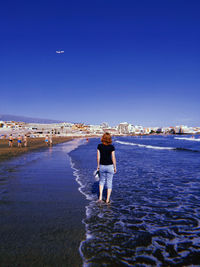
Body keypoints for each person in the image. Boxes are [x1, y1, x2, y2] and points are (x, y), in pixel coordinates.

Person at [97, 132, 117, 203]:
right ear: (109, 139)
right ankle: (107, 199)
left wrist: (98, 166)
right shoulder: (112, 147)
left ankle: (100, 197)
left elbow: (98, 157)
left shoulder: (99, 146)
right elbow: (113, 158)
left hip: (102, 165)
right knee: (109, 182)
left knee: (101, 181)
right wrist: (115, 167)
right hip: (110, 166)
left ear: (103, 138)